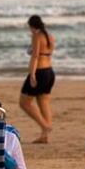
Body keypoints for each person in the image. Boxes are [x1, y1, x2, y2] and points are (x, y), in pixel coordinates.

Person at [19, 15, 56, 143]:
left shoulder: (37, 36)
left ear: (31, 26)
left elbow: (35, 56)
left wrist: (32, 75)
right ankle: (45, 136)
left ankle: (46, 127)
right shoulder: (50, 36)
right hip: (49, 72)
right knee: (43, 102)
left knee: (24, 103)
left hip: (39, 72)